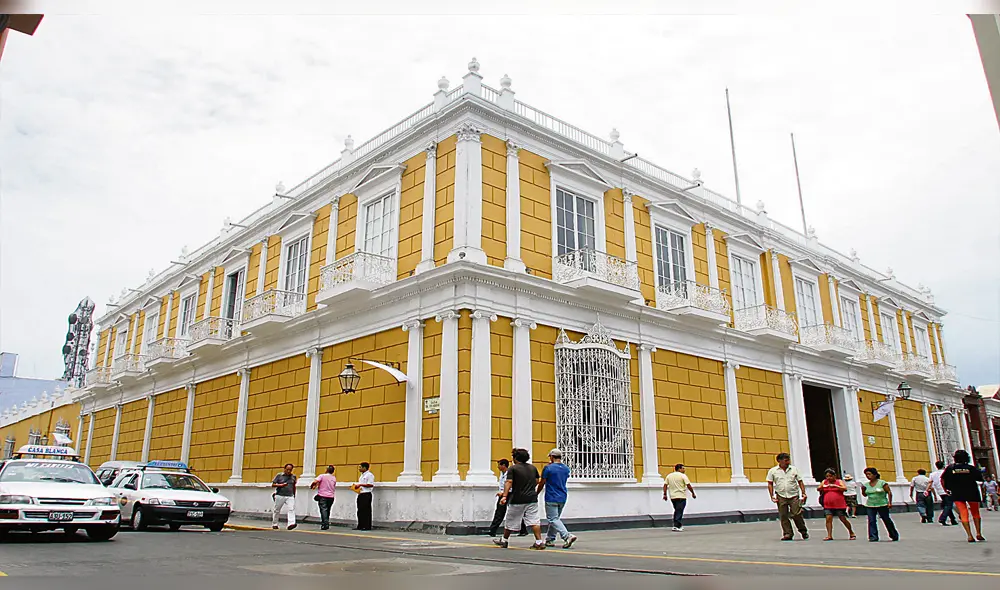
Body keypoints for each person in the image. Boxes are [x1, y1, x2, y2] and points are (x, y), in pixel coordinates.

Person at [493, 447, 546, 550]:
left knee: (510, 519)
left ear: (515, 458)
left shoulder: (513, 468)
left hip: (517, 498)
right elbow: (536, 481)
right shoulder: (533, 468)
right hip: (532, 498)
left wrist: (504, 496)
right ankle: (539, 542)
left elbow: (508, 482)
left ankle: (504, 540)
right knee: (534, 520)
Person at [942, 450, 985, 542]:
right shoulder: (971, 468)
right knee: (975, 512)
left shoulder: (950, 468)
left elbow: (943, 479)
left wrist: (946, 489)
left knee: (963, 513)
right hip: (972, 492)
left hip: (957, 493)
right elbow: (980, 478)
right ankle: (978, 533)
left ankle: (969, 535)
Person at [538, 448, 577, 548]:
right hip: (563, 496)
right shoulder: (566, 468)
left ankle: (567, 536)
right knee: (555, 519)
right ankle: (550, 539)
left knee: (552, 519)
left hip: (551, 496)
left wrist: (536, 493)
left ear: (551, 457)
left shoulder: (548, 468)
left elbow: (542, 482)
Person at [766, 452, 808, 541]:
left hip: (794, 495)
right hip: (781, 495)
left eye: (788, 460)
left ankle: (803, 530)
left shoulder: (794, 470)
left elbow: (800, 481)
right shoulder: (773, 471)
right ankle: (788, 533)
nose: (788, 462)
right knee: (783, 515)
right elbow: (770, 483)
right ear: (779, 461)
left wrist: (803, 493)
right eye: (786, 460)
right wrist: (772, 495)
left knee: (796, 514)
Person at [489, 459, 526, 537]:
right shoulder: (502, 474)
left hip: (509, 494)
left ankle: (493, 530)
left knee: (505, 511)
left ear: (503, 465)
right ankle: (493, 529)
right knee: (500, 511)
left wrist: (503, 494)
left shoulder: (509, 473)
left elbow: (510, 484)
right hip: (503, 494)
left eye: (499, 465)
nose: (498, 467)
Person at [859, 467, 898, 542]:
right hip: (870, 504)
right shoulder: (866, 485)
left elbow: (889, 492)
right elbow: (864, 495)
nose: (868, 476)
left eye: (869, 474)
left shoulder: (882, 483)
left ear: (875, 475)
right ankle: (873, 536)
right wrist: (862, 490)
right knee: (871, 520)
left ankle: (893, 534)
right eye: (866, 474)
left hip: (882, 504)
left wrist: (890, 502)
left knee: (886, 519)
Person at [817, 468, 855, 540]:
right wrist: (823, 487)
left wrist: (836, 486)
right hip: (827, 504)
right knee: (828, 519)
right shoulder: (824, 482)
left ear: (834, 476)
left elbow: (844, 488)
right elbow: (818, 488)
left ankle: (851, 532)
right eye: (827, 476)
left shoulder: (839, 481)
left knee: (843, 518)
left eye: (830, 476)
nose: (829, 478)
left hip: (839, 504)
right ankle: (829, 535)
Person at [663, 463, 696, 532]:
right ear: (679, 469)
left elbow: (665, 485)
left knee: (677, 510)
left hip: (673, 497)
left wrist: (665, 494)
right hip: (681, 496)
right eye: (683, 468)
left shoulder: (669, 476)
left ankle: (676, 525)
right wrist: (693, 493)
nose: (684, 470)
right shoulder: (683, 476)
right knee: (679, 511)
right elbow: (688, 485)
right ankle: (677, 525)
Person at [929, 460, 957, 526]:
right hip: (947, 490)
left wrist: (934, 493)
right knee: (948, 505)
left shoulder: (932, 474)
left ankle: (953, 520)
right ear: (943, 465)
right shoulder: (946, 472)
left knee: (947, 505)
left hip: (939, 491)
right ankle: (942, 518)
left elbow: (931, 483)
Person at [271, 463, 297, 530]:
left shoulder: (293, 476)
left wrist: (294, 494)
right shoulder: (279, 475)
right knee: (277, 509)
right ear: (284, 469)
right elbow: (273, 484)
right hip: (280, 495)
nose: (288, 471)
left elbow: (294, 486)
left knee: (291, 509)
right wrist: (281, 485)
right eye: (287, 469)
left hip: (290, 495)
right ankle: (275, 523)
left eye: (290, 470)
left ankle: (291, 524)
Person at [310, 465, 336, 530]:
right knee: (328, 510)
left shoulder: (322, 476)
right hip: (331, 496)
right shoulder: (334, 478)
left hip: (322, 496)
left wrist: (312, 486)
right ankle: (326, 521)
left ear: (327, 470)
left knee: (323, 510)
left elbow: (315, 481)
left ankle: (325, 524)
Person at [355, 462, 375, 531]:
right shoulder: (362, 475)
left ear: (364, 468)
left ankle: (367, 526)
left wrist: (361, 485)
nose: (359, 469)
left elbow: (370, 484)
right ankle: (360, 525)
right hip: (361, 493)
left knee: (366, 511)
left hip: (366, 494)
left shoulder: (369, 475)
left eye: (360, 467)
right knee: (360, 510)